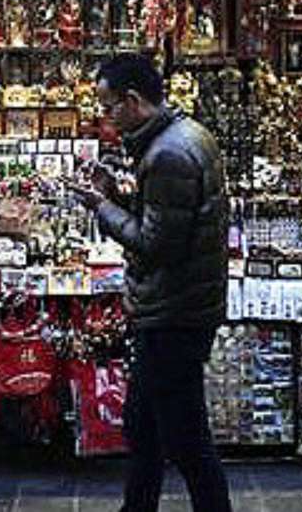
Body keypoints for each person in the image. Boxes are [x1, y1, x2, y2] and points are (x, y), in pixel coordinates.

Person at [70, 53, 231, 512]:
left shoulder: (168, 154)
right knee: (144, 424)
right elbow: (168, 220)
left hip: (174, 313)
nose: (105, 116)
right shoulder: (183, 136)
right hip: (179, 306)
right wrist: (117, 196)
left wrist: (101, 207)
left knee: (185, 437)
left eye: (109, 107)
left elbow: (156, 244)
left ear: (133, 100)